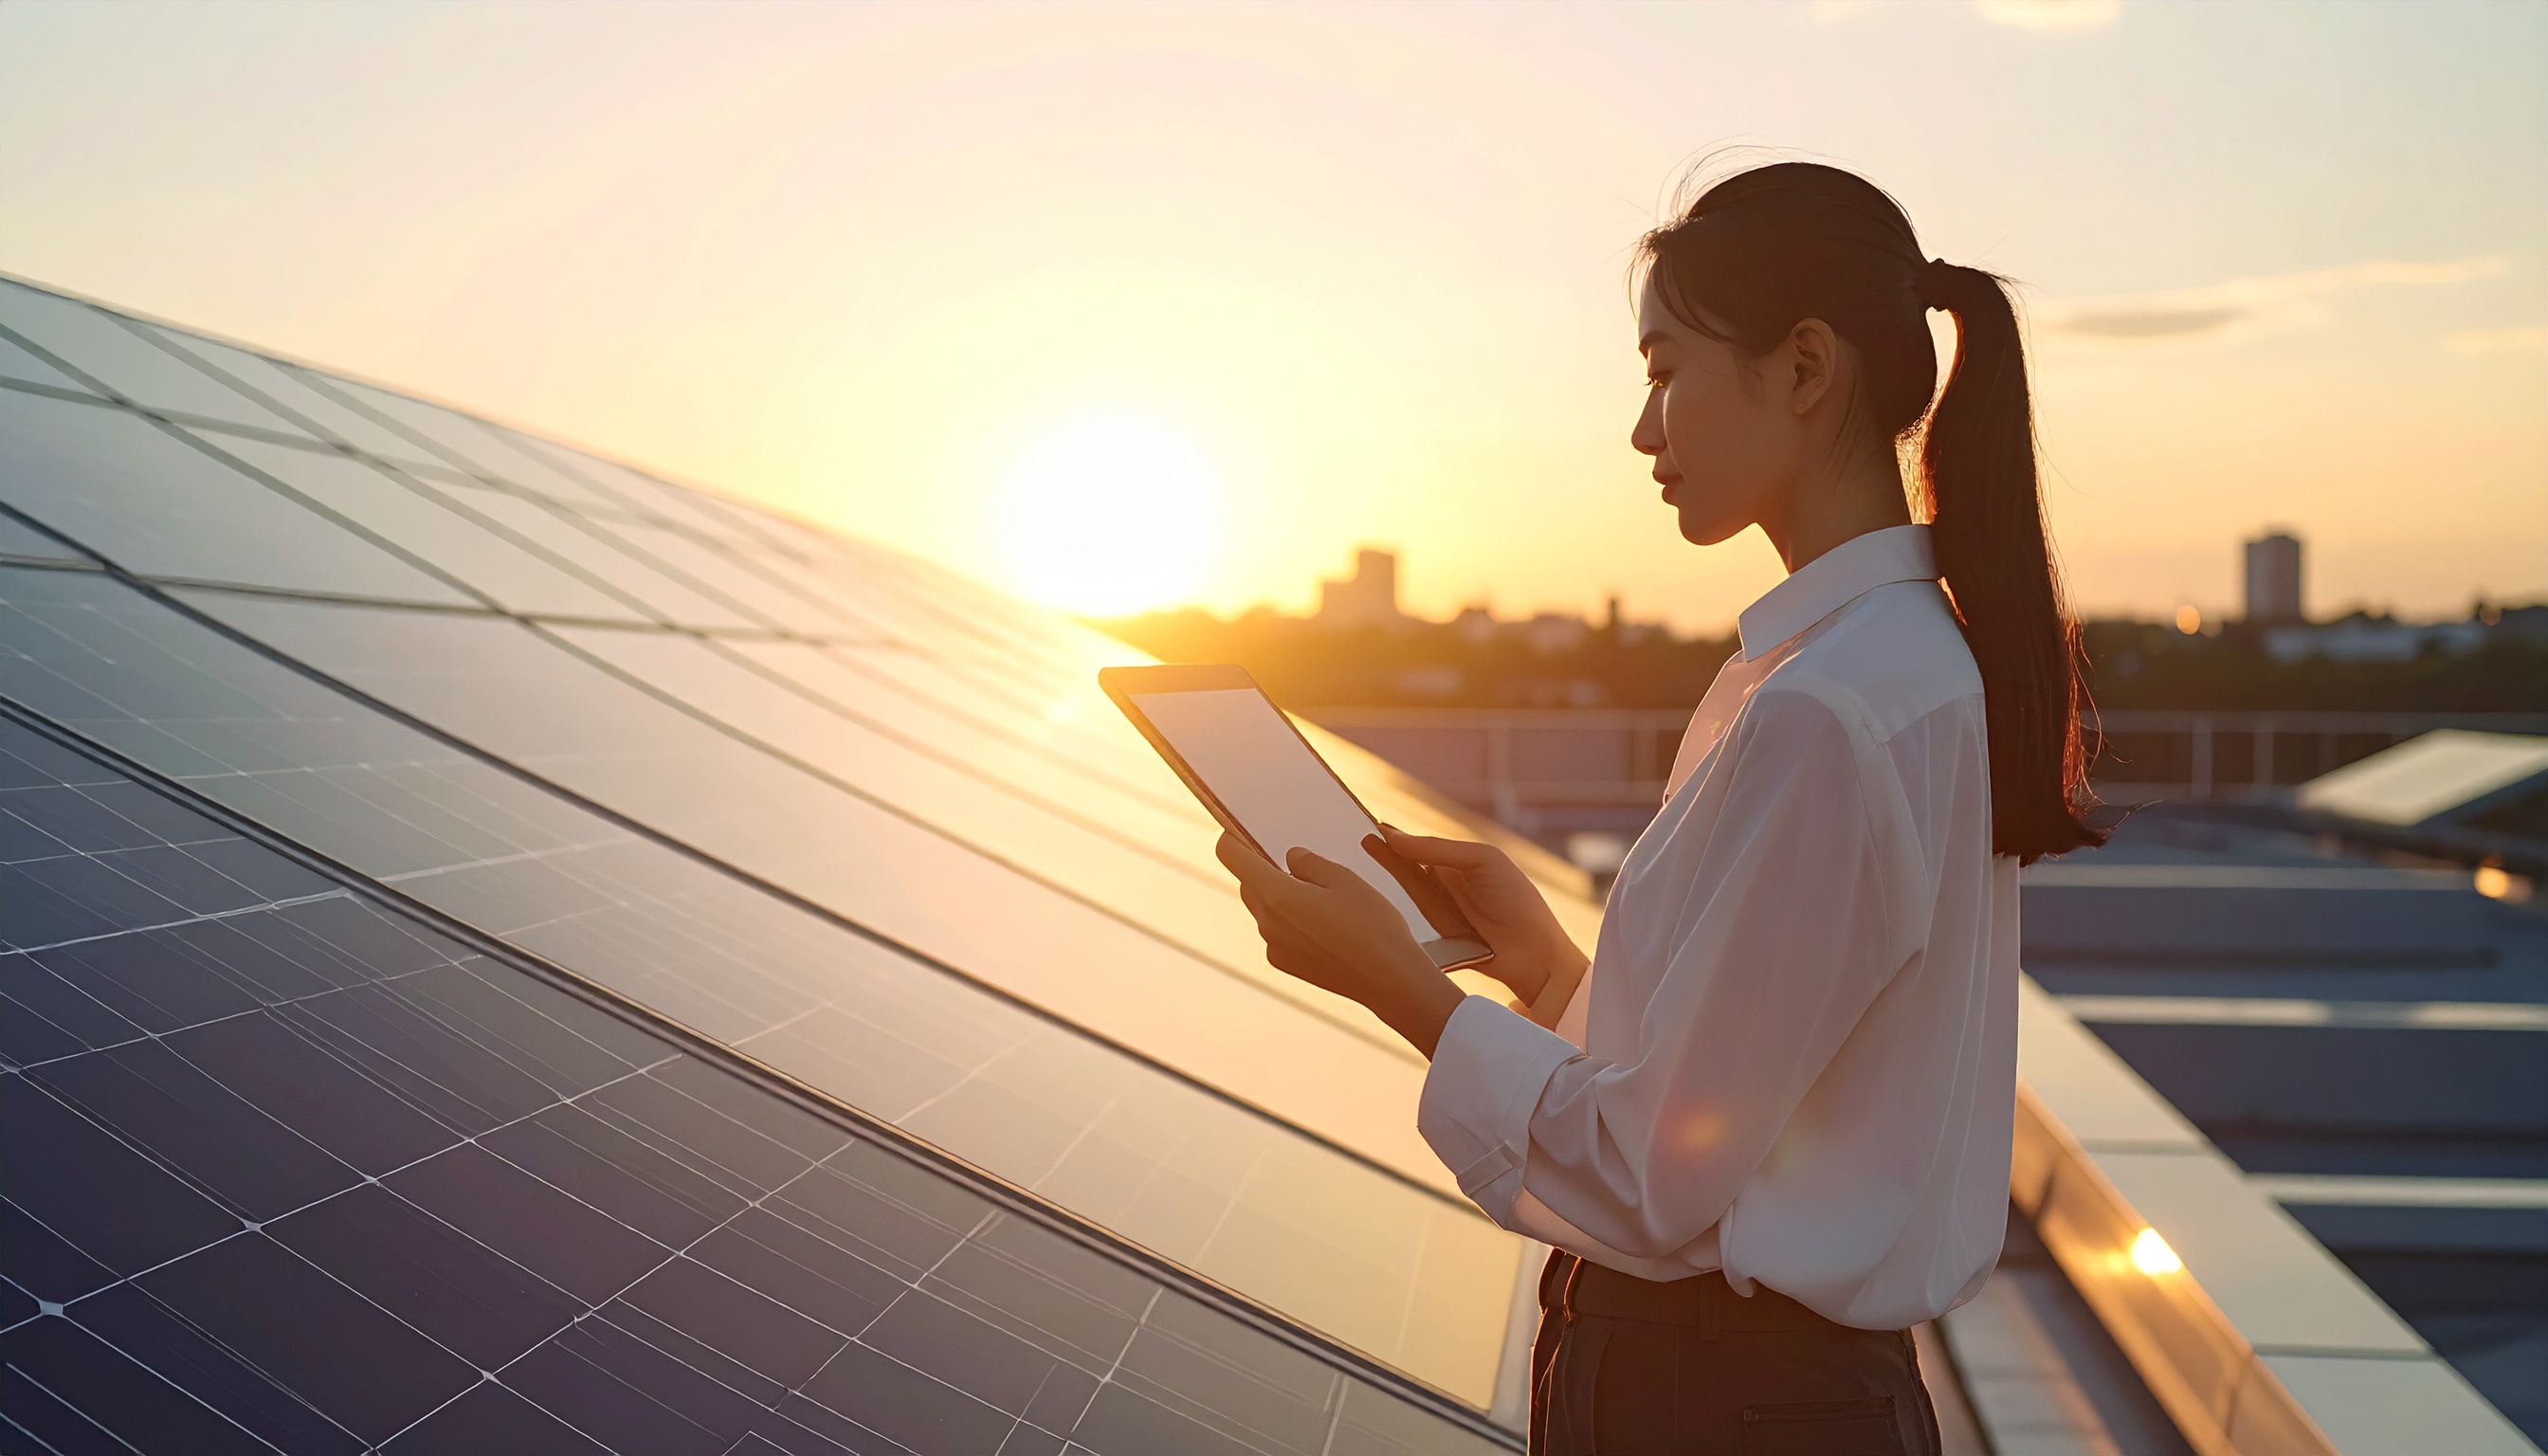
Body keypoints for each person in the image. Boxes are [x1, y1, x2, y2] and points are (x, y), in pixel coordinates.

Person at [1214, 161, 2104, 1455]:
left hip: (1726, 1405)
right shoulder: (1882, 669)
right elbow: (1748, 1100)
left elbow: (1652, 1177)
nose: (1644, 431)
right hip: (1771, 1398)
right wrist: (1545, 967)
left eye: (1666, 370)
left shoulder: (1830, 706)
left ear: (1806, 371)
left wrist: (1402, 992)